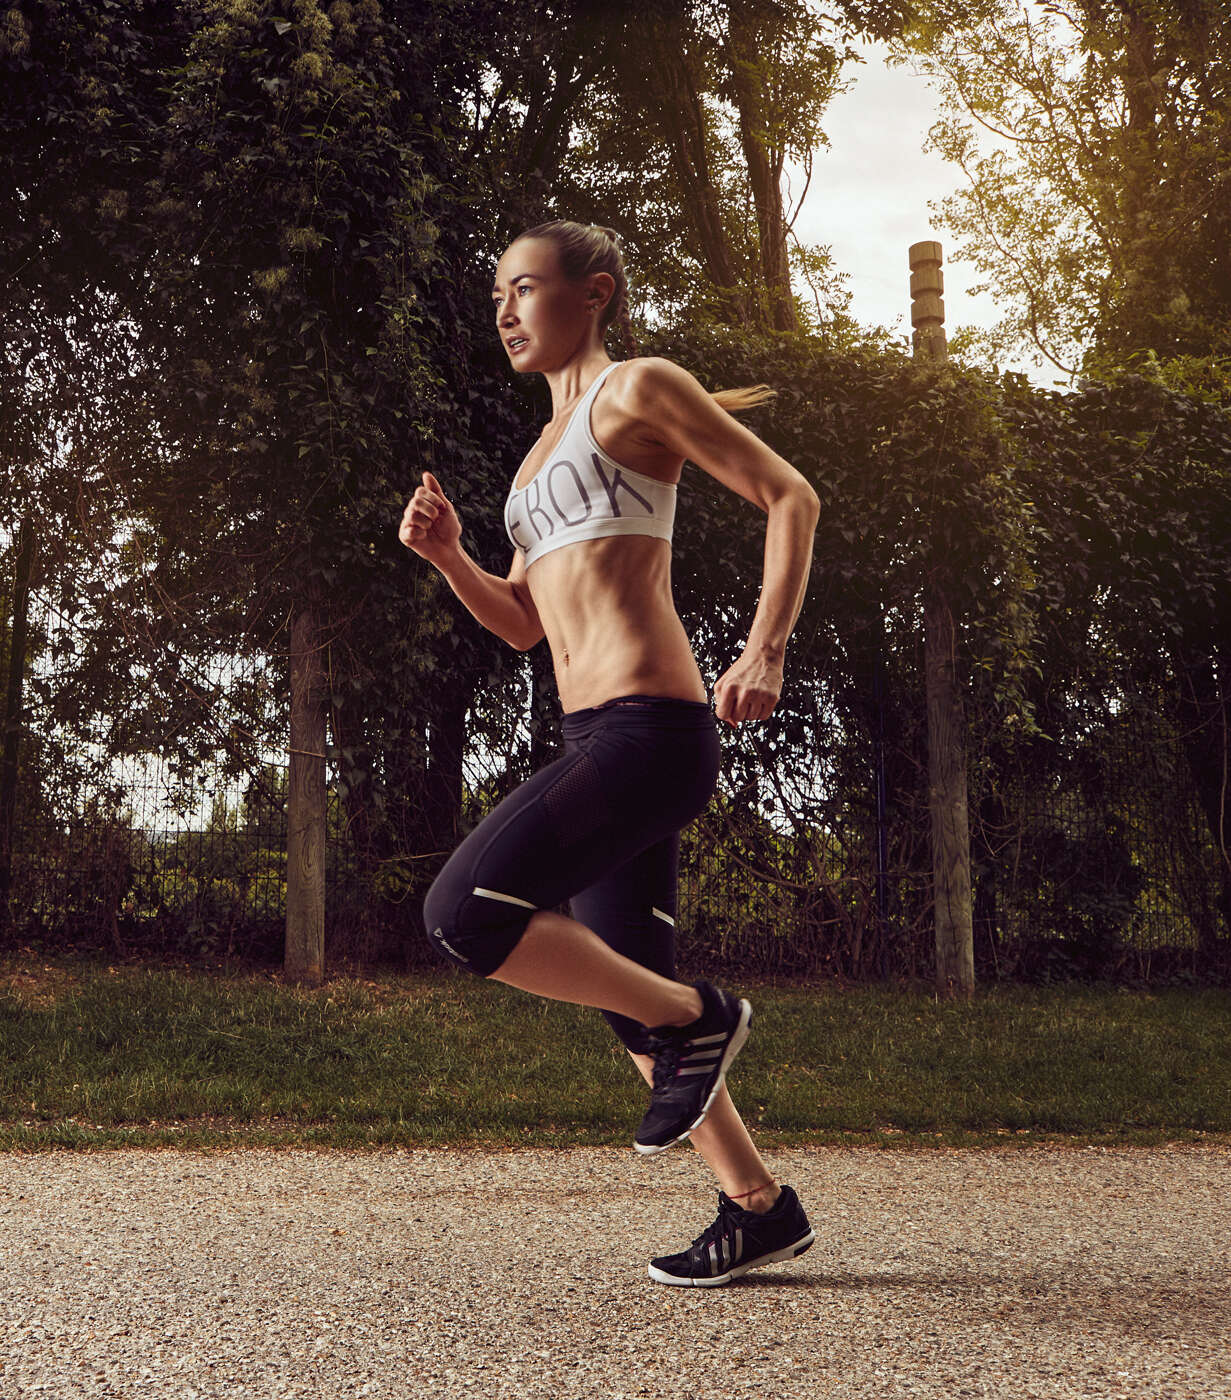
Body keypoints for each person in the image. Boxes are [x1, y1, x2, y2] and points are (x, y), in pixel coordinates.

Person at [399, 220, 819, 1287]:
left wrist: (764, 647)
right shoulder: (536, 458)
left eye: (524, 288)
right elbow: (523, 625)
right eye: (497, 295)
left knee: (461, 915)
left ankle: (702, 1016)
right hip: (594, 730)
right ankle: (757, 1206)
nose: (505, 311)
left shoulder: (637, 388)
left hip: (650, 729)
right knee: (624, 985)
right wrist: (450, 557)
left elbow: (790, 495)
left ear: (594, 293)